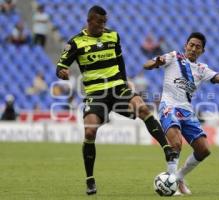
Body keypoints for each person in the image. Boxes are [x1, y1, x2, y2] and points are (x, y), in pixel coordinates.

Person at [56, 5, 177, 196]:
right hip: (96, 94)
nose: (103, 26)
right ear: (89, 21)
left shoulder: (113, 36)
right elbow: (61, 66)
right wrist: (62, 72)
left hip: (118, 88)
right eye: (99, 22)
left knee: (144, 109)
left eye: (105, 22)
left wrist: (125, 83)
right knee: (89, 131)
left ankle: (167, 149)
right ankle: (90, 179)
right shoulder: (75, 43)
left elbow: (120, 63)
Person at [143, 32, 219, 195]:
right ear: (185, 45)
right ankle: (170, 185)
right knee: (176, 143)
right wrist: (156, 62)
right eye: (191, 45)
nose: (193, 49)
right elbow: (147, 64)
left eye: (197, 47)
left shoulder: (202, 69)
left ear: (202, 51)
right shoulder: (173, 57)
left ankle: (178, 178)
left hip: (186, 111)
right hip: (168, 106)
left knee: (204, 150)